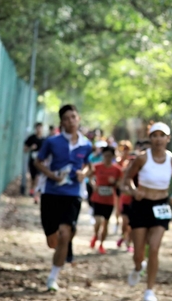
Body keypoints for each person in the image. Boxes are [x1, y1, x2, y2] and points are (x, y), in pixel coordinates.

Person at [120, 122, 172, 301]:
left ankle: (149, 290)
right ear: (150, 138)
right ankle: (138, 266)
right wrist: (134, 191)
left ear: (168, 139)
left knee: (154, 248)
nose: (158, 139)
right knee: (138, 252)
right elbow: (127, 179)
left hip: (161, 206)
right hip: (141, 205)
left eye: (162, 135)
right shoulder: (141, 158)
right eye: (155, 135)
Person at [34, 104, 93, 291]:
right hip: (51, 193)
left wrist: (84, 173)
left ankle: (53, 277)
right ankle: (61, 248)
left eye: (73, 117)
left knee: (64, 234)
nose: (71, 121)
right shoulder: (52, 142)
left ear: (78, 118)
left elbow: (88, 165)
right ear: (62, 122)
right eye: (67, 118)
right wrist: (51, 175)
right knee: (53, 240)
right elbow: (38, 162)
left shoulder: (86, 144)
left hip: (73, 194)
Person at [89, 146, 122, 254]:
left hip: (109, 200)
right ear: (102, 155)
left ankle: (101, 244)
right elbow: (89, 177)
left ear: (113, 156)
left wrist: (114, 182)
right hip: (97, 198)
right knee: (98, 221)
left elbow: (120, 183)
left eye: (110, 156)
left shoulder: (117, 169)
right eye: (105, 155)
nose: (107, 158)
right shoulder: (97, 167)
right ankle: (95, 235)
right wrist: (93, 185)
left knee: (106, 223)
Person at [24, 122, 45, 203]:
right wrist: (30, 148)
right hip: (32, 161)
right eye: (37, 128)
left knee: (38, 178)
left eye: (40, 128)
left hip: (41, 162)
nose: (39, 129)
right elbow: (25, 149)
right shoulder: (31, 138)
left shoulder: (44, 140)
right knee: (33, 177)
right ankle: (32, 190)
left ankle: (36, 196)